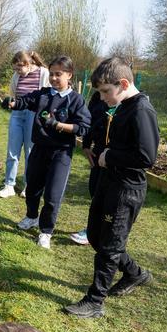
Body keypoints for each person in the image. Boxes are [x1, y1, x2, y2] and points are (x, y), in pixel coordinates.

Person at [63, 57, 160, 319]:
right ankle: (134, 273)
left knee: (110, 246)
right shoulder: (121, 106)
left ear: (124, 84)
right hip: (108, 181)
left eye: (106, 91)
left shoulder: (141, 110)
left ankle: (95, 301)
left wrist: (110, 157)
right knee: (96, 237)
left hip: (126, 189)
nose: (103, 98)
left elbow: (146, 157)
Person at [8, 56, 90, 249]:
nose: (53, 78)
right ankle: (31, 217)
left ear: (69, 75)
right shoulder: (43, 95)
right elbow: (26, 101)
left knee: (52, 195)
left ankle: (46, 231)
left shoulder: (76, 100)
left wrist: (59, 125)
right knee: (33, 187)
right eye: (51, 74)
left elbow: (83, 127)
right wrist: (12, 103)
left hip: (61, 153)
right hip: (39, 148)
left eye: (58, 74)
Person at [0, 51, 50, 198]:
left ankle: (28, 185)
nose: (17, 72)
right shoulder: (16, 76)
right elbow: (14, 94)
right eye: (15, 69)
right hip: (17, 114)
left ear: (28, 64)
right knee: (12, 151)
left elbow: (48, 95)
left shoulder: (43, 73)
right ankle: (9, 185)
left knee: (30, 152)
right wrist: (10, 103)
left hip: (33, 115)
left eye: (19, 68)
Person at [69, 90, 108, 245]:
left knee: (104, 194)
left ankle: (95, 232)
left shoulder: (125, 102)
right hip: (98, 150)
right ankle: (95, 229)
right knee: (94, 189)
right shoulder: (98, 97)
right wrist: (86, 145)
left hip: (112, 153)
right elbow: (90, 120)